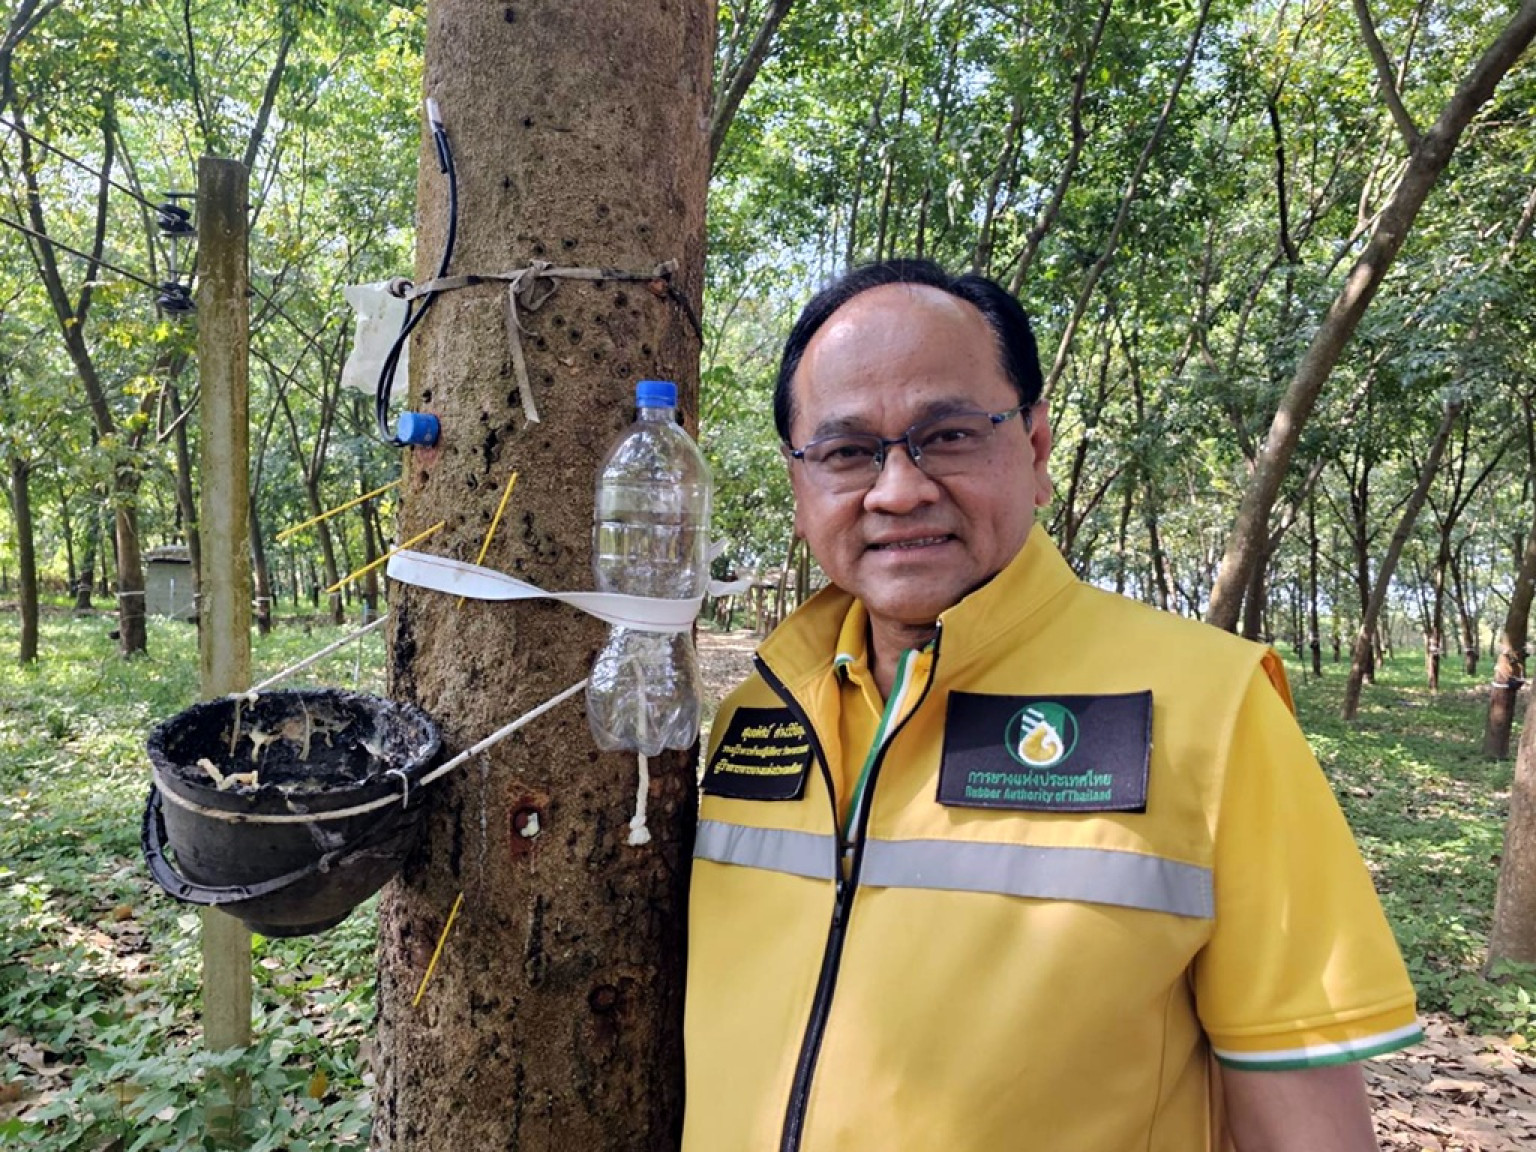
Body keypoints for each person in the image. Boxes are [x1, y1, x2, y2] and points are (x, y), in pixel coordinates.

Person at [683, 259, 1421, 1151]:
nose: (899, 489)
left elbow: (1303, 1126)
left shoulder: (1210, 707)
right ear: (800, 485)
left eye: (948, 436)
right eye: (846, 452)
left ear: (1034, 450)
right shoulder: (755, 713)